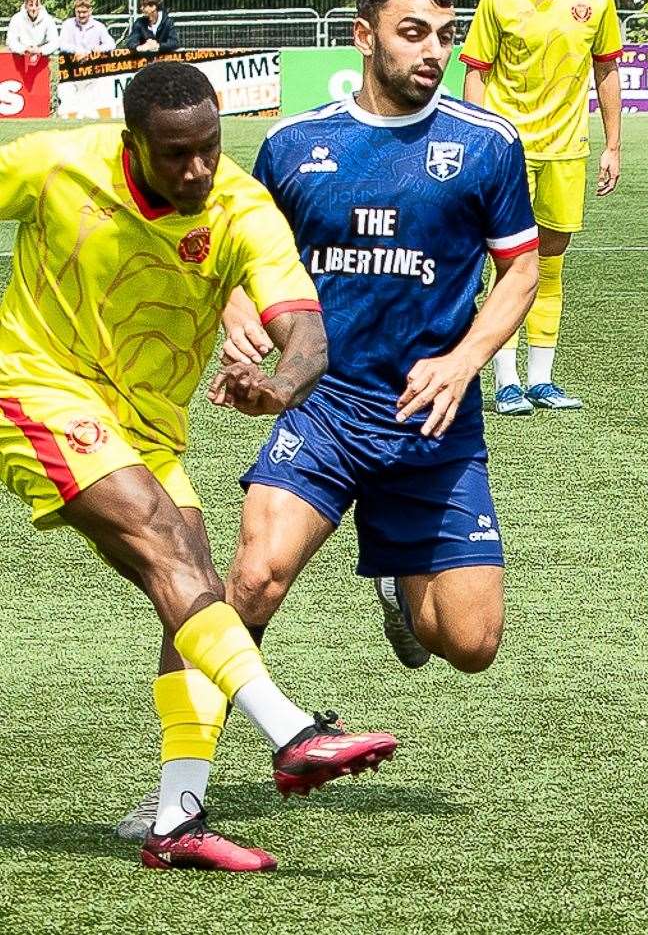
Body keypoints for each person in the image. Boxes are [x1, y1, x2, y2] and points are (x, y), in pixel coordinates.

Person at [112, 0, 540, 847]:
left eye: (444, 35)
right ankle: (177, 796)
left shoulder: (489, 144)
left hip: (433, 424)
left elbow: (521, 270)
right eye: (414, 32)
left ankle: (396, 577)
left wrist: (464, 362)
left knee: (470, 642)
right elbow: (230, 253)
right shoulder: (295, 144)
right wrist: (240, 329)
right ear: (364, 35)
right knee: (246, 581)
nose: (434, 50)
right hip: (326, 409)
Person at [0, 61, 403, 872]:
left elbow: (308, 336)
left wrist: (280, 386)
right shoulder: (53, 164)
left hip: (148, 426)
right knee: (160, 540)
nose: (195, 169)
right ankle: (293, 731)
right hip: (34, 385)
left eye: (208, 150)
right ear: (131, 143)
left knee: (193, 591)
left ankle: (176, 822)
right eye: (174, 154)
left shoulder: (241, 206)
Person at [460, 0, 623, 416]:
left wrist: (613, 145)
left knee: (550, 264)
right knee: (508, 264)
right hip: (508, 150)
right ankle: (505, 380)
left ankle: (542, 380)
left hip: (567, 150)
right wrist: (477, 141)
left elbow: (607, 70)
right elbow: (476, 71)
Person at [6, 0, 58, 72]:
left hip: (41, 57)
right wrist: (23, 49)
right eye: (31, 5)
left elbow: (54, 42)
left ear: (40, 6)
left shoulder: (48, 19)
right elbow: (11, 41)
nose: (34, 8)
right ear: (26, 5)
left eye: (36, 5)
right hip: (19, 56)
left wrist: (40, 50)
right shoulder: (16, 18)